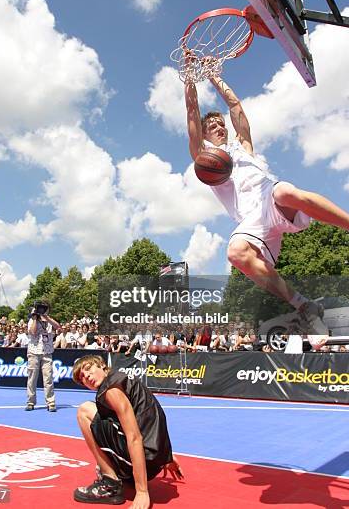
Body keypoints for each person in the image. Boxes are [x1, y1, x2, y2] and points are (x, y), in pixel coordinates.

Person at [185, 72, 349, 333]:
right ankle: (303, 305)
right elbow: (192, 113)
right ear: (206, 136)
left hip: (270, 198)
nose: (219, 126)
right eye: (212, 126)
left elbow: (236, 107)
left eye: (220, 123)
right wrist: (191, 81)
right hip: (250, 220)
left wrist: (215, 78)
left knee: (285, 192)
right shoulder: (206, 158)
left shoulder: (243, 145)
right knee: (235, 253)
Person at [72, 355, 183, 507]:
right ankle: (120, 474)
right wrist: (166, 457)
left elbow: (134, 437)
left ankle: (110, 484)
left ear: (102, 366)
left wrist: (142, 491)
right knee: (99, 413)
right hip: (154, 458)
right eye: (82, 377)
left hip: (147, 459)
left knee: (84, 411)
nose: (87, 376)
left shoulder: (111, 390)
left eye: (88, 369)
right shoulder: (119, 381)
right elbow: (148, 422)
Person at [25, 300, 61, 412]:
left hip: (47, 352)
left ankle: (51, 402)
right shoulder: (32, 320)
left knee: (48, 378)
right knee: (32, 378)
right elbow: (33, 332)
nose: (41, 310)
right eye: (40, 308)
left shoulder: (50, 321)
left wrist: (46, 317)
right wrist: (35, 317)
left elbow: (58, 327)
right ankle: (31, 402)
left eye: (44, 308)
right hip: (34, 352)